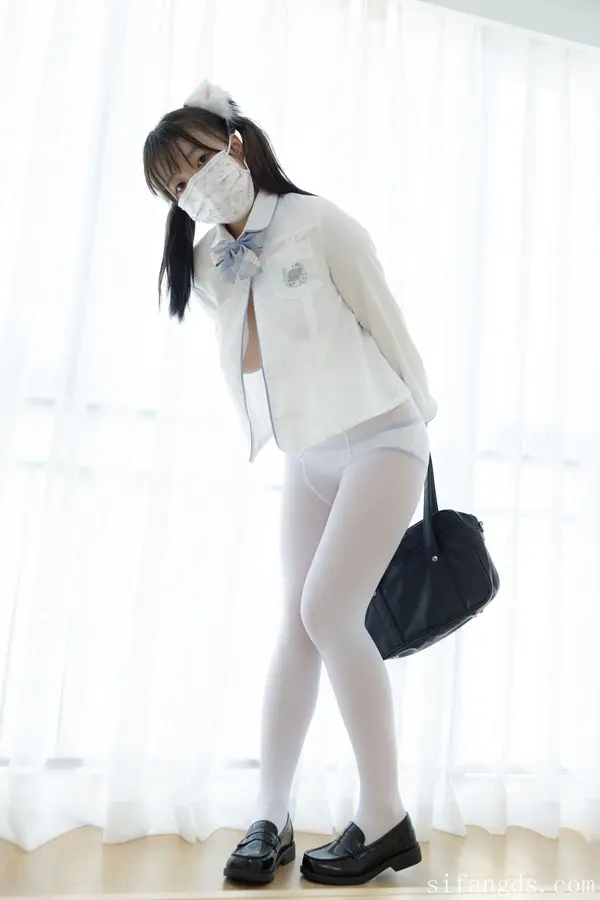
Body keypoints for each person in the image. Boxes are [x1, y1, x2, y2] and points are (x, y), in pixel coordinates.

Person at [143, 80, 437, 887]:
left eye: (199, 162)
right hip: (307, 455)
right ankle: (268, 818)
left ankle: (385, 816)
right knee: (296, 627)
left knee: (328, 611)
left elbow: (388, 328)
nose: (193, 187)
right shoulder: (209, 262)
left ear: (236, 145)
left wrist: (419, 429)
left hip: (382, 435)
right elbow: (252, 360)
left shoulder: (321, 222)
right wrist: (240, 272)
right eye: (176, 184)